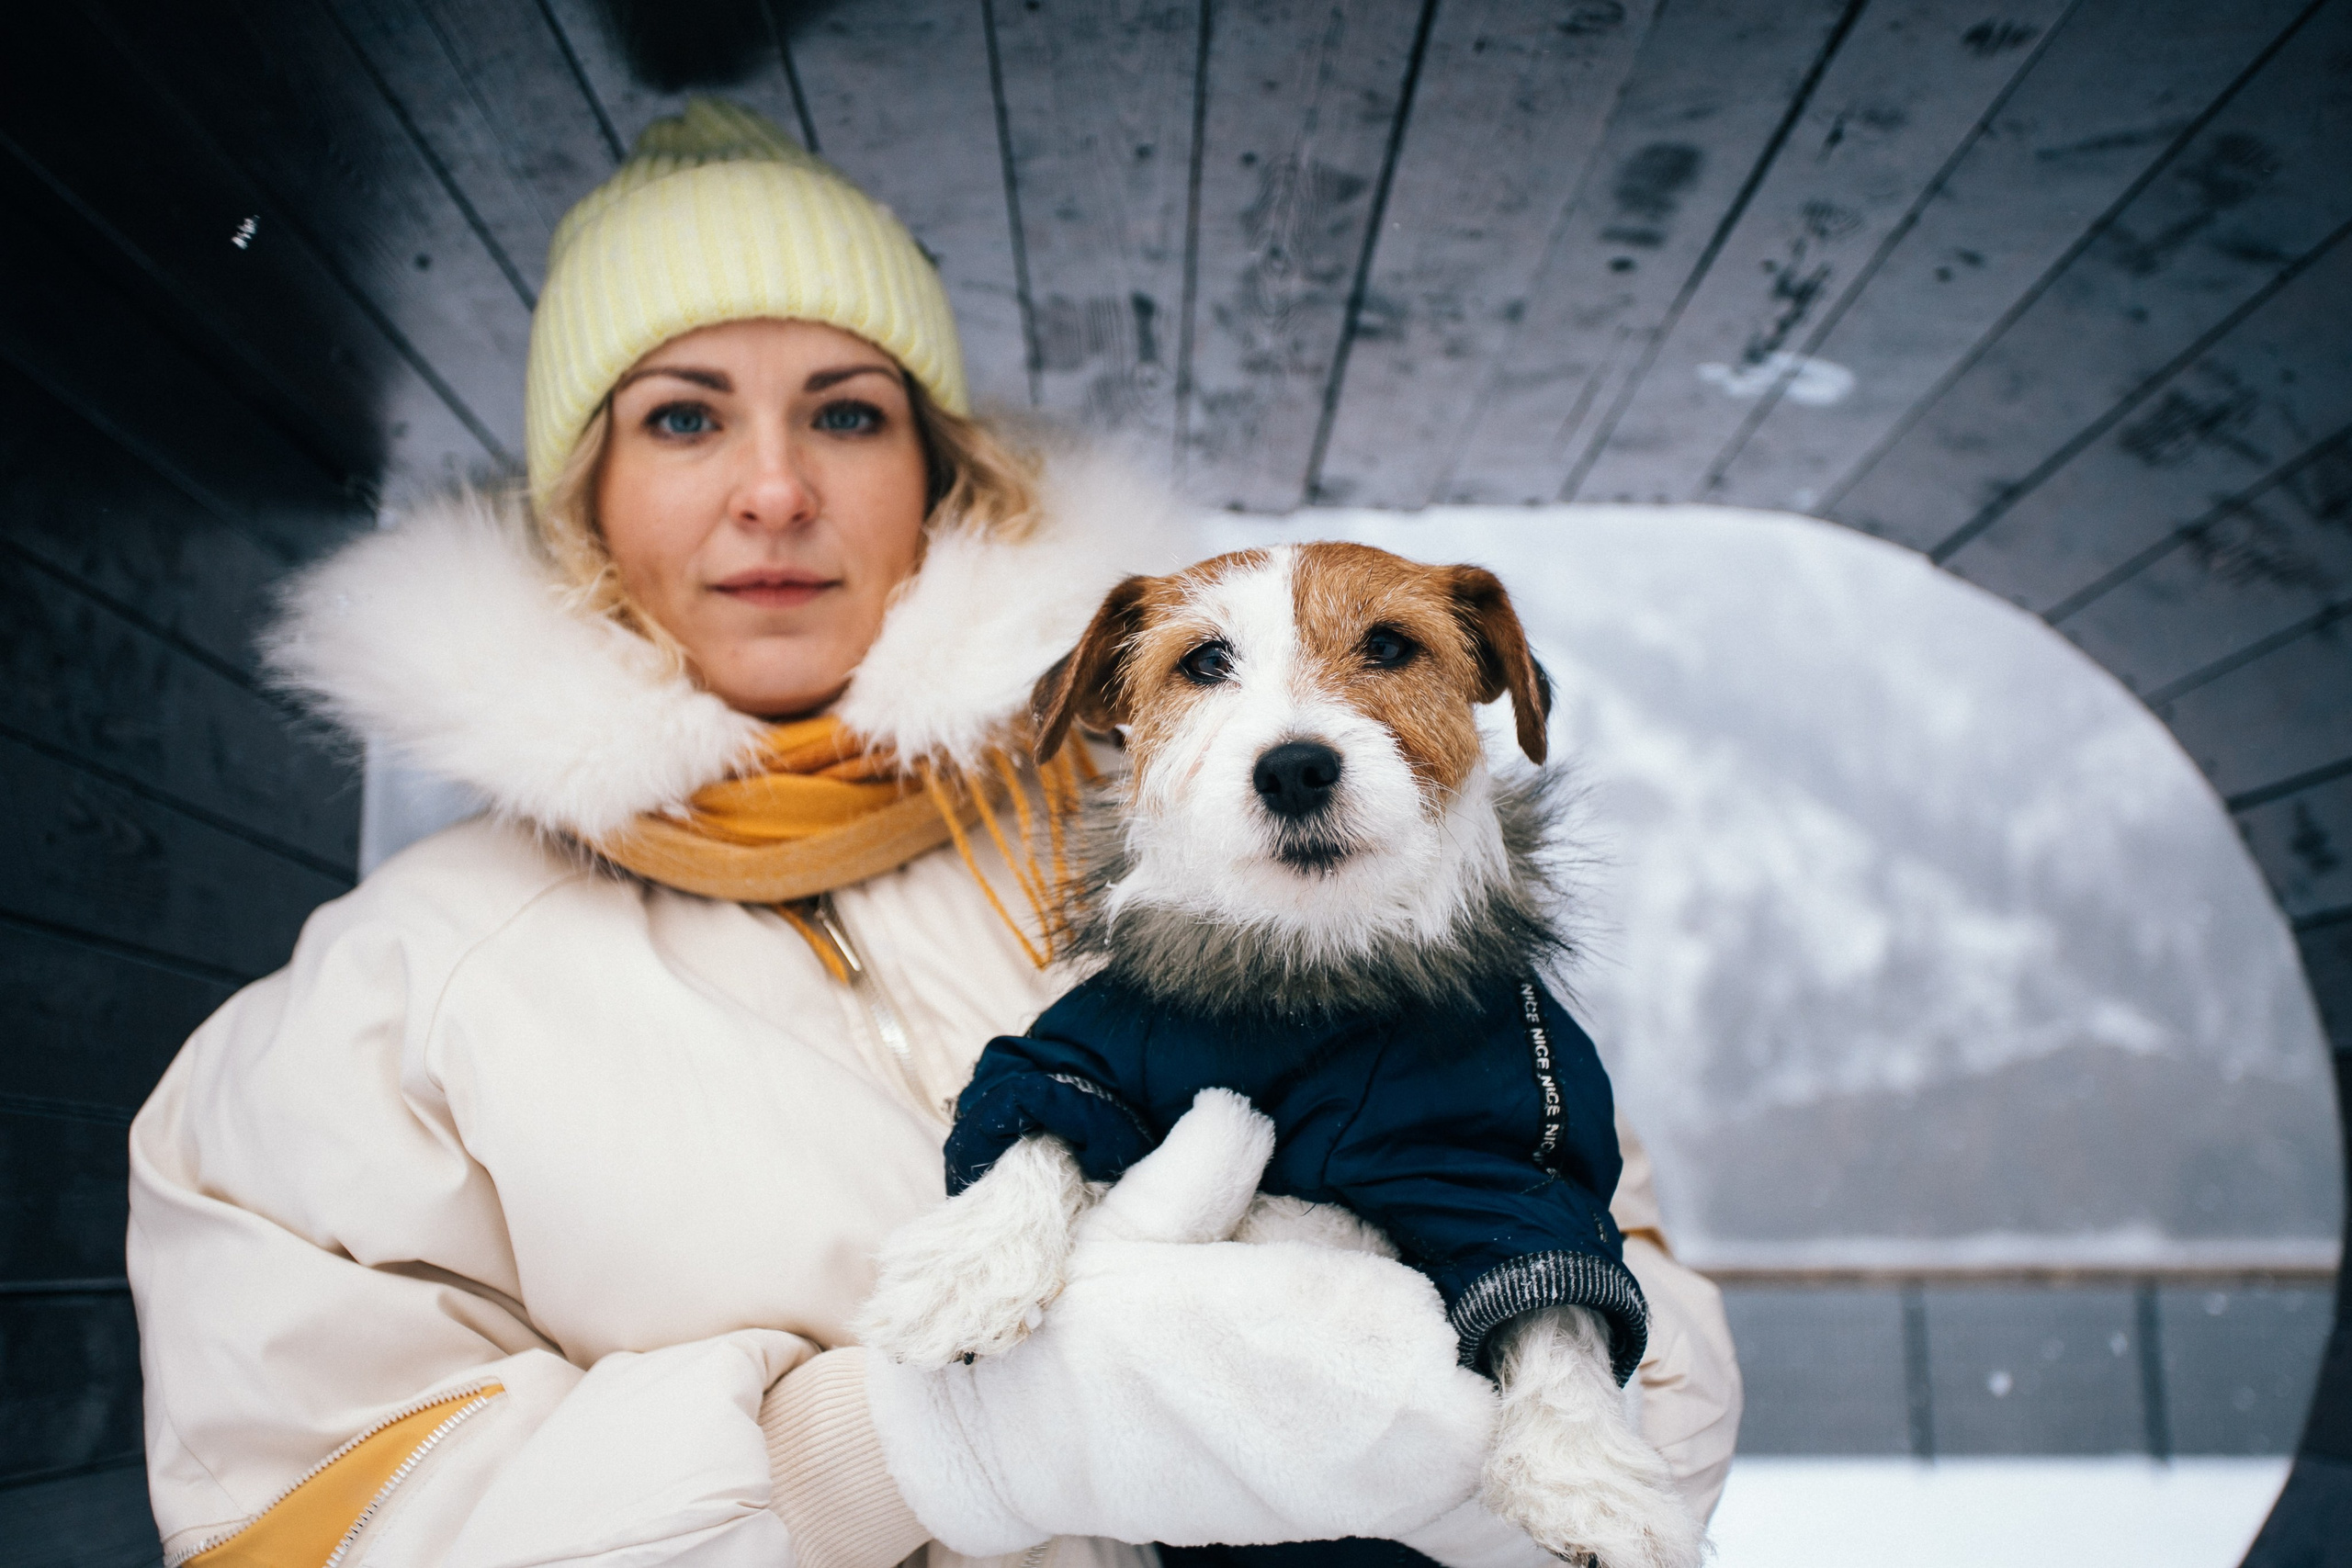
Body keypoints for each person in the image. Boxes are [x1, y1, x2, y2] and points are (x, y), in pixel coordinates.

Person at [128, 98, 1739, 1567]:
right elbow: (301, 1519)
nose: (773, 490)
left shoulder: (1256, 863)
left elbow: (1644, 1338)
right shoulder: (397, 991)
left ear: (940, 472)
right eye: (684, 420)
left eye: (844, 413)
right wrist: (905, 1448)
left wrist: (1456, 1447)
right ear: (585, 498)